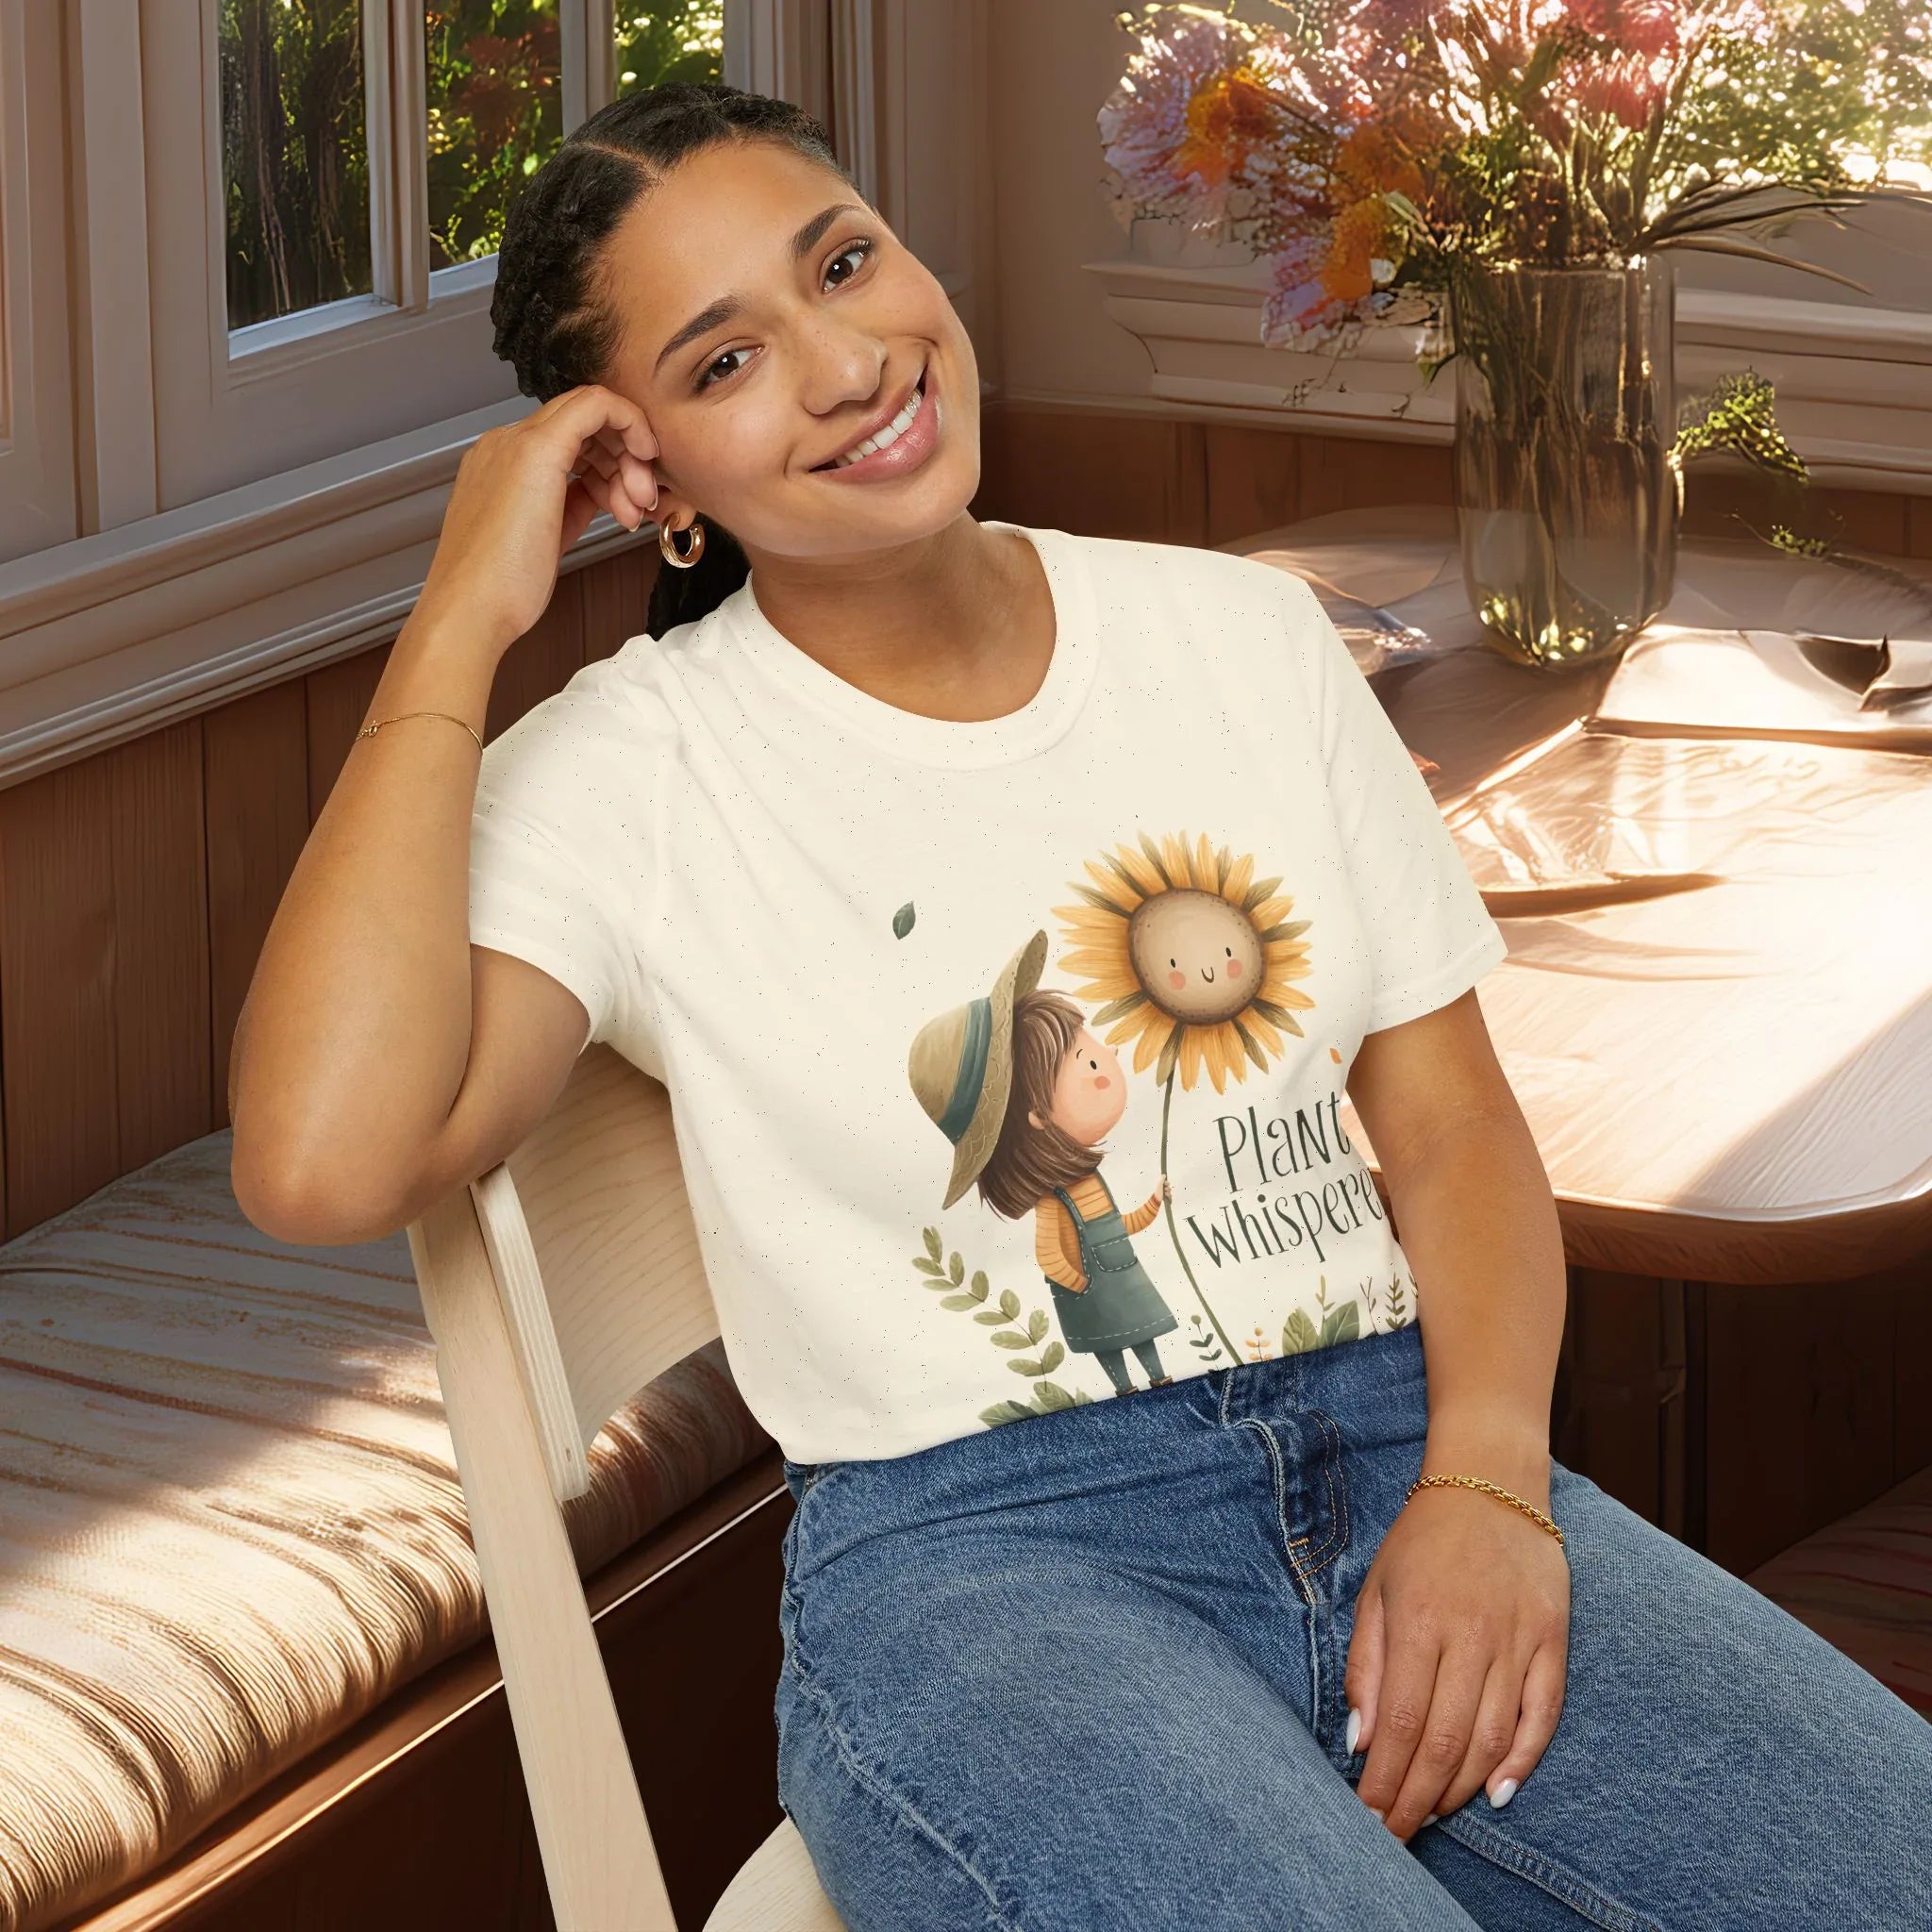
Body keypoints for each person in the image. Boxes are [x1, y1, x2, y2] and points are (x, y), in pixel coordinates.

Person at [226, 82, 1932, 1932]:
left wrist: (1493, 1487)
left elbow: (1446, 1127)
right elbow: (324, 1162)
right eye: (725, 362)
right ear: (652, 475)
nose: (844, 363)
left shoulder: (1247, 638)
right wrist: (456, 619)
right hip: (984, 1575)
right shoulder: (631, 772)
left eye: (844, 263)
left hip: (1397, 1447)